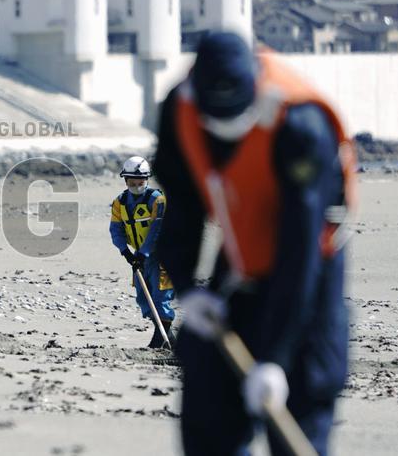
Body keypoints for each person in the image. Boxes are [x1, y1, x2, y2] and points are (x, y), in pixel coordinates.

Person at [153, 32, 355, 455]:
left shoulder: (300, 125)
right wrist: (189, 288)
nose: (224, 124)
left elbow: (301, 248)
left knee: (300, 404)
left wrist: (277, 358)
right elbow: (182, 203)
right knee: (208, 410)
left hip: (309, 280)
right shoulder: (181, 107)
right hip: (239, 267)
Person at [109, 155, 175, 348]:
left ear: (147, 180)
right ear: (125, 180)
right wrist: (125, 252)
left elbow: (156, 230)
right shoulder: (119, 203)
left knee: (160, 296)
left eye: (141, 182)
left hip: (160, 256)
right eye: (132, 182)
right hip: (138, 257)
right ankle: (167, 337)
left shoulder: (157, 201)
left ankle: (161, 339)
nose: (136, 185)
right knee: (143, 297)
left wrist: (143, 253)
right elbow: (116, 229)